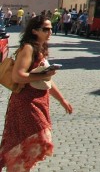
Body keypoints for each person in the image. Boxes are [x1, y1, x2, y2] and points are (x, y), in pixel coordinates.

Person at [0, 16, 73, 170]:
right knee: (33, 140)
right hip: (26, 103)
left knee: (29, 145)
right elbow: (17, 75)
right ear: (34, 31)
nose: (50, 32)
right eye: (45, 29)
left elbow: (46, 81)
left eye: (51, 28)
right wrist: (44, 75)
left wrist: (62, 100)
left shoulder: (40, 49)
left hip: (39, 102)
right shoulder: (28, 48)